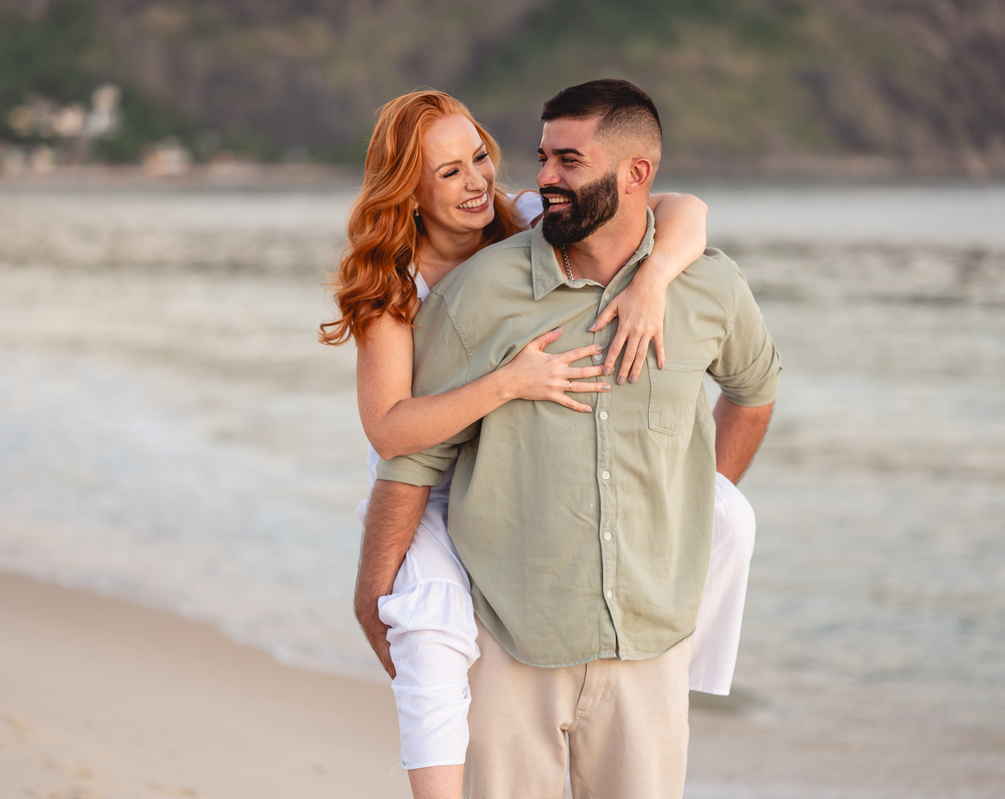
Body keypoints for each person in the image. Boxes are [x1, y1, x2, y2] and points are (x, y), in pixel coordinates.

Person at [323, 88, 759, 799]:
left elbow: (685, 210)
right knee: (430, 634)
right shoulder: (391, 290)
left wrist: (652, 281)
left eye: (480, 159)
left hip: (503, 465)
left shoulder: (526, 218)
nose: (477, 182)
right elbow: (392, 431)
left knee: (731, 518)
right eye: (448, 173)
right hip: (427, 484)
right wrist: (510, 381)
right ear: (408, 191)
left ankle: (666, 658)